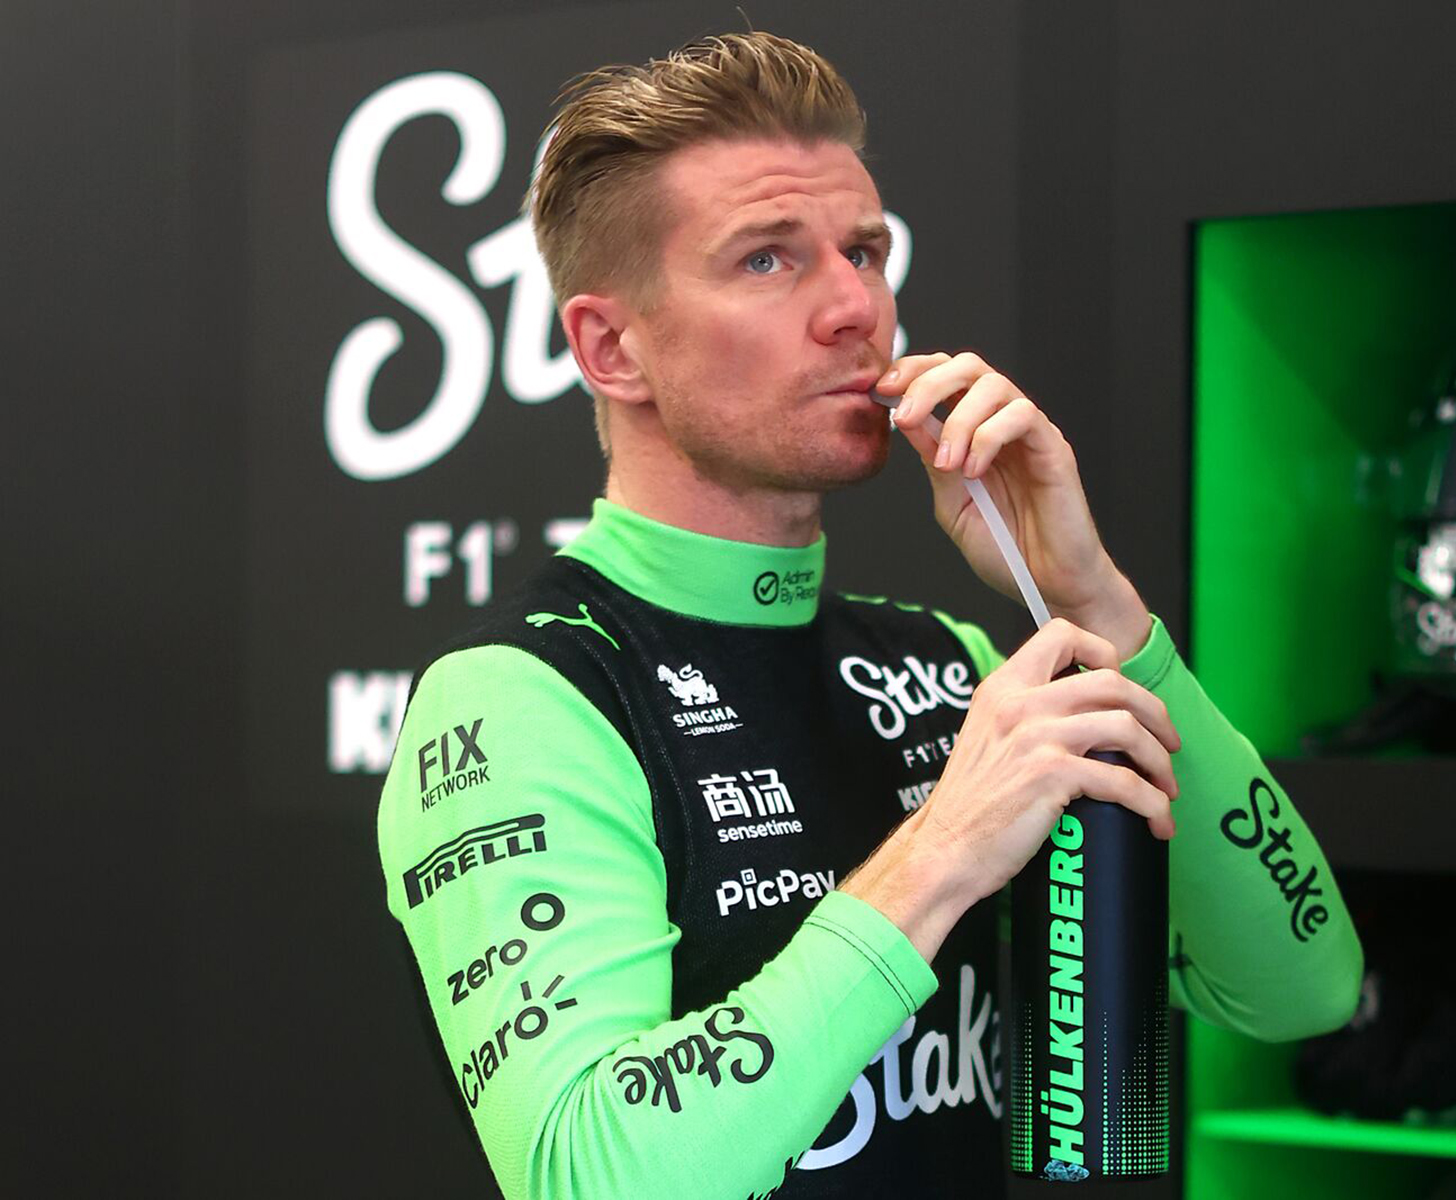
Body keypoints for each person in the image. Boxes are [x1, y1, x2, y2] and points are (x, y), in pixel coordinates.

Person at [377, 30, 1361, 1199]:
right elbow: (592, 1174)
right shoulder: (523, 694)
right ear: (611, 348)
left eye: (865, 251)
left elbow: (1299, 990)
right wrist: (945, 850)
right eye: (766, 260)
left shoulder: (946, 664)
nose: (855, 307)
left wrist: (1092, 598)